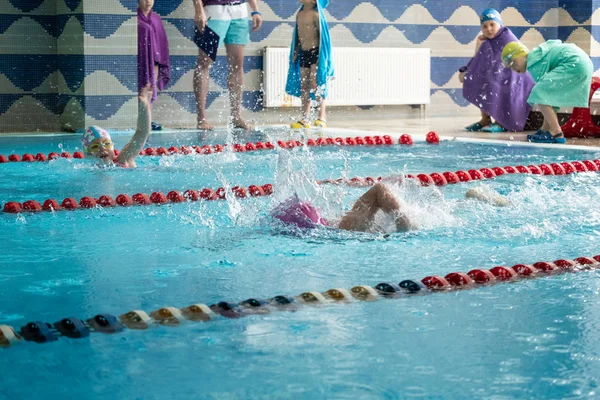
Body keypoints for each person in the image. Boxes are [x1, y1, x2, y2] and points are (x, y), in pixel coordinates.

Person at [272, 183, 510, 234]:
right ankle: (472, 199)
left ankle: (473, 199)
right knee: (446, 212)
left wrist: (404, 223)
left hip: (405, 220)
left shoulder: (346, 225)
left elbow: (379, 190)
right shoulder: (339, 227)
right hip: (404, 218)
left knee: (440, 215)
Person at [502, 40, 594, 143]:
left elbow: (543, 96)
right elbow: (548, 98)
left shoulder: (533, 62)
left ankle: (556, 131)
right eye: (509, 66)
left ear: (523, 54)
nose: (512, 67)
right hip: (582, 63)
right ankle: (546, 129)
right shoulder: (538, 55)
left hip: (574, 64)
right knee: (543, 93)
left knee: (539, 92)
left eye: (513, 62)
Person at [459, 8, 535, 133]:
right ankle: (485, 119)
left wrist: (496, 75)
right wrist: (468, 69)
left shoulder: (507, 37)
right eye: (484, 26)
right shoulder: (487, 41)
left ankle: (501, 122)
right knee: (480, 81)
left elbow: (517, 63)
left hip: (517, 77)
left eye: (492, 24)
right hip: (498, 75)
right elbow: (479, 60)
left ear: (500, 24)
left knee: (498, 84)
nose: (488, 29)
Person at [192, 0, 263, 131]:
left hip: (239, 12)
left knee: (237, 64)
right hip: (214, 11)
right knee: (204, 63)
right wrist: (198, 9)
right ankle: (201, 118)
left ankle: (236, 116)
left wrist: (255, 10)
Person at [286, 0, 334, 129]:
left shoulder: (315, 15)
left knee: (316, 84)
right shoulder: (299, 14)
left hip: (316, 54)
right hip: (304, 53)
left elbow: (322, 37)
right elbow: (298, 36)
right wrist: (295, 52)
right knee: (304, 86)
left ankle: (321, 117)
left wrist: (321, 58)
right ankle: (304, 119)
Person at [82, 85, 152, 168]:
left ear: (113, 146)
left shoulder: (123, 160)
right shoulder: (86, 170)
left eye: (107, 144)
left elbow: (142, 132)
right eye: (95, 146)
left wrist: (144, 104)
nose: (102, 148)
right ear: (87, 153)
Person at [138, 0, 170, 130]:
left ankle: (148, 120)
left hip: (154, 62)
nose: (148, 2)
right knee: (140, 91)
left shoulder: (156, 19)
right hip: (139, 61)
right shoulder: (134, 19)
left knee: (150, 89)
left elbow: (162, 44)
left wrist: (160, 61)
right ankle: (141, 121)